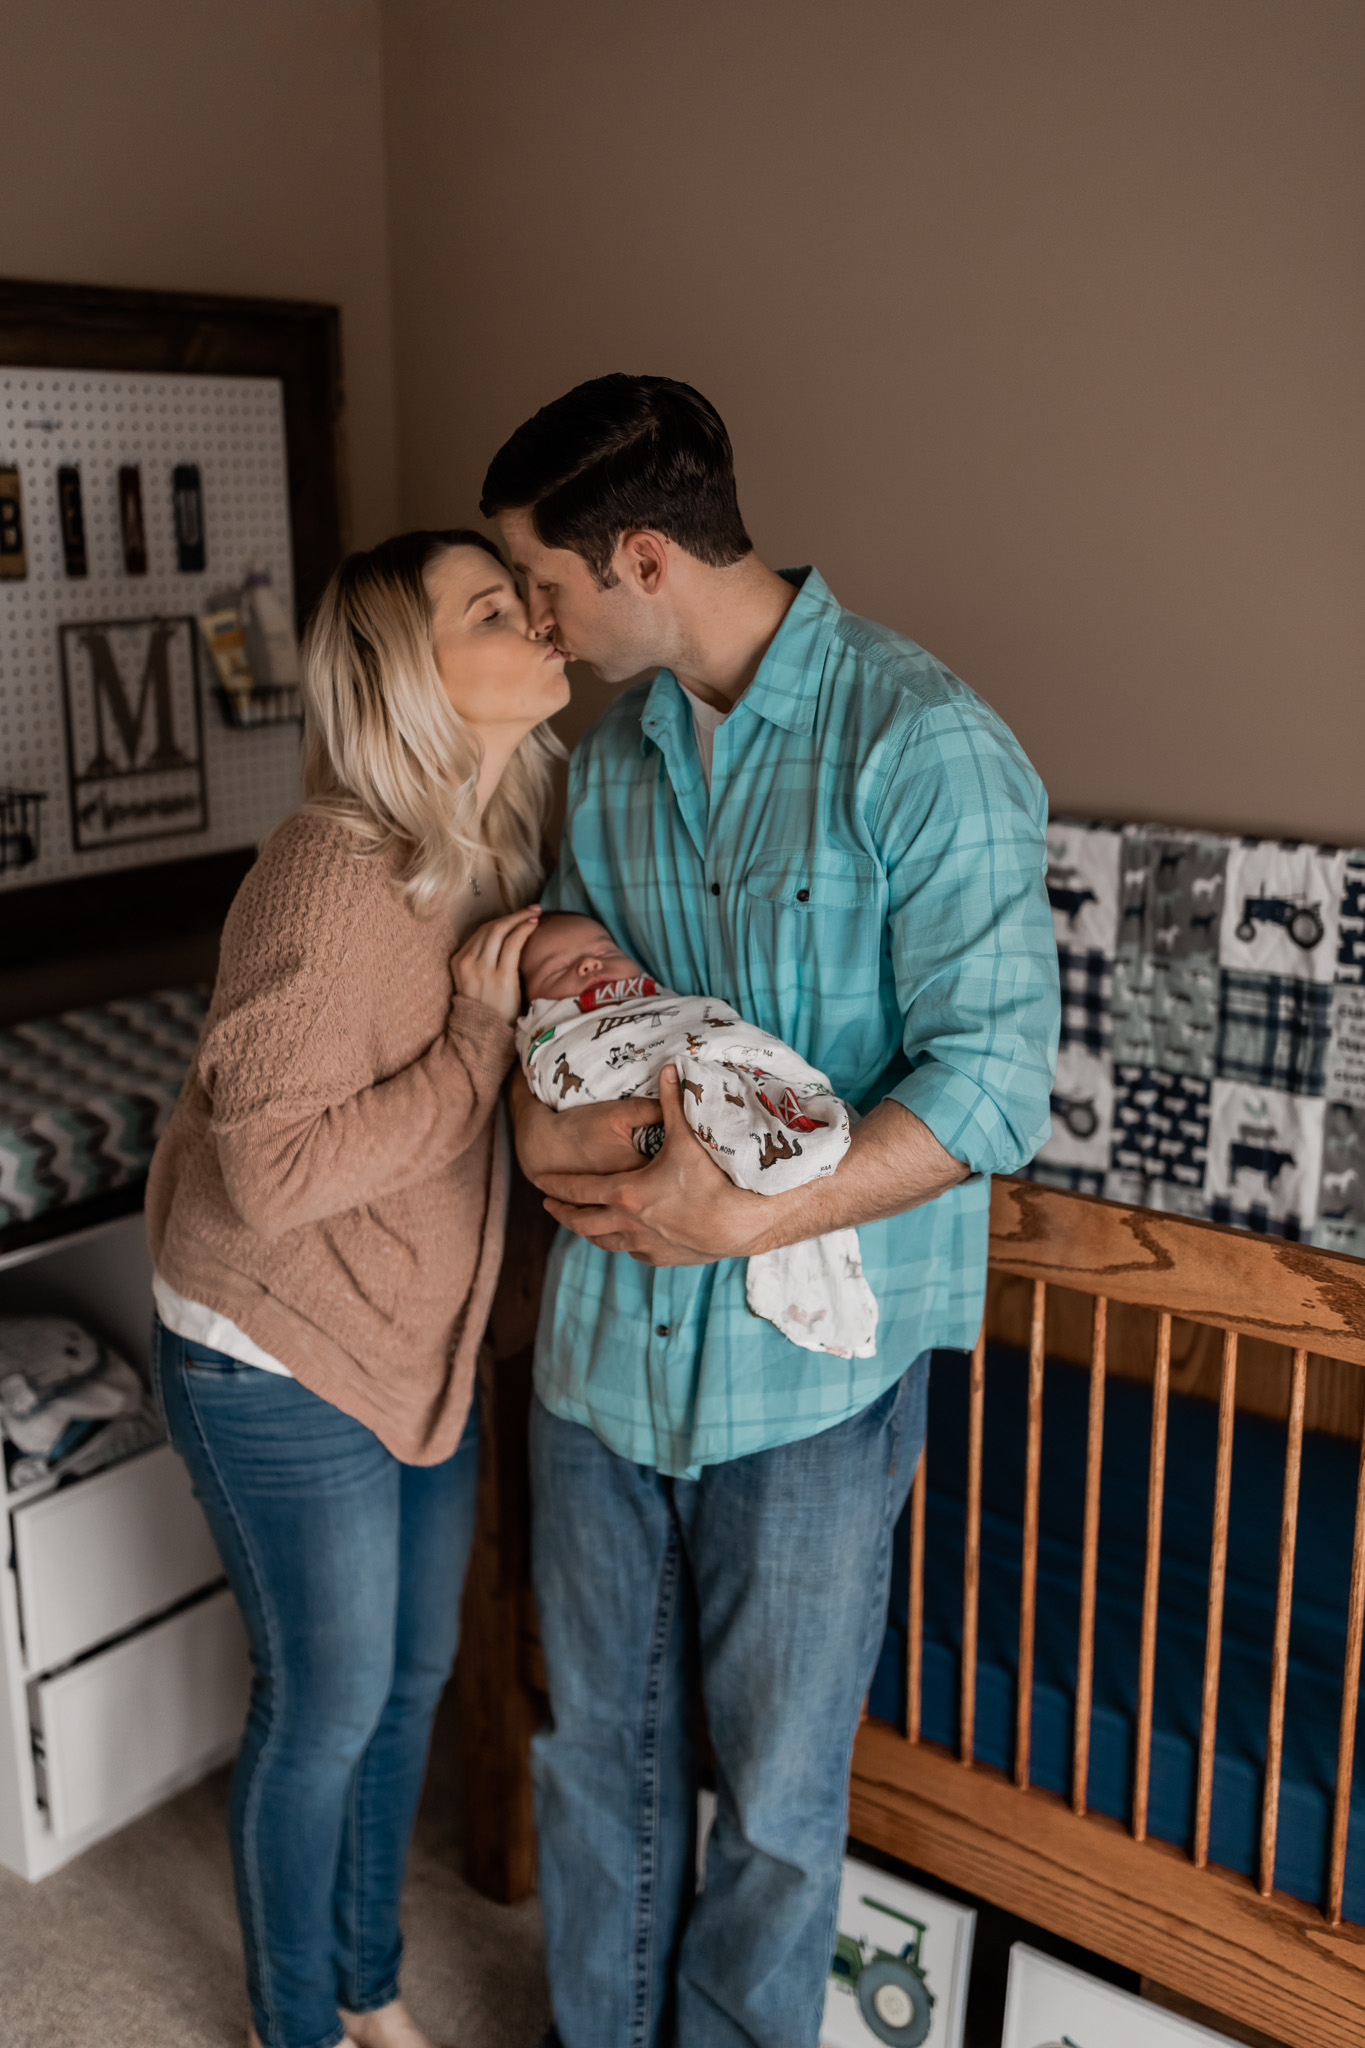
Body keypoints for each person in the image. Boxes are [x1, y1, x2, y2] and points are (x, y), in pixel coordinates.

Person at [480, 375, 1061, 2048]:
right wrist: (541, 1145)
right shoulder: (609, 761)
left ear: (643, 557)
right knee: (596, 1760)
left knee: (783, 1805)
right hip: (600, 1360)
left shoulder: (922, 742)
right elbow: (569, 1022)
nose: (545, 620)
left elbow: (996, 1086)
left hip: (806, 1386)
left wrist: (743, 1225)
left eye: (553, 586)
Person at [145, 529, 567, 2048]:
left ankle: (368, 1985)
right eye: (491, 610)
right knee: (324, 1710)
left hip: (413, 1342)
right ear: (408, 677)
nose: (535, 619)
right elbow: (267, 1171)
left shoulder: (498, 840)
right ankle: (295, 2025)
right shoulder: (329, 879)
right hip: (269, 1341)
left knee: (415, 1683)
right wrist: (471, 1042)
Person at [515, 909, 878, 1357]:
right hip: (594, 1332)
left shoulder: (663, 1002)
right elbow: (546, 1064)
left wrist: (770, 1219)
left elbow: (706, 1027)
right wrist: (534, 1128)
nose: (589, 965)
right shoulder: (554, 1032)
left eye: (604, 951)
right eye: (556, 968)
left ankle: (784, 1141)